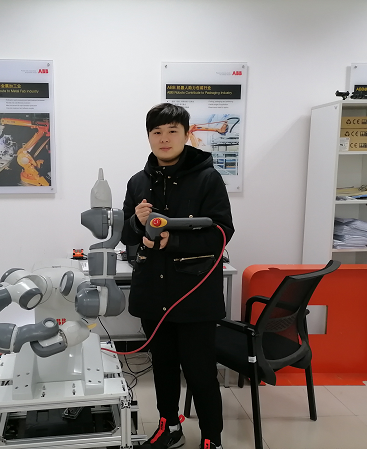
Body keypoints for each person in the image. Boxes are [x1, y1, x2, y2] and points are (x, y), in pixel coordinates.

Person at [121, 103, 234, 449]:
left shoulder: (208, 178)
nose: (164, 138)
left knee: (200, 372)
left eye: (172, 131)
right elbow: (126, 236)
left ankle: (212, 438)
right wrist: (137, 222)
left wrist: (173, 241)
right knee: (163, 367)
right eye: (157, 132)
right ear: (149, 137)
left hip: (193, 293)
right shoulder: (138, 181)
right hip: (154, 295)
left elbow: (222, 232)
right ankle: (169, 427)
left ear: (186, 135)